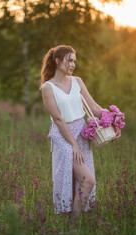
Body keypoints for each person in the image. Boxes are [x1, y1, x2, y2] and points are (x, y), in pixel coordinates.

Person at [39, 45, 121, 217]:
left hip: (80, 130)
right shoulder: (48, 87)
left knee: (81, 180)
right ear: (57, 60)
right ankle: (73, 226)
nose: (73, 64)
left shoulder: (77, 81)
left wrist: (114, 122)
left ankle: (73, 224)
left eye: (74, 61)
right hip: (63, 135)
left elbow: (94, 107)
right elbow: (59, 119)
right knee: (87, 180)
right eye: (69, 60)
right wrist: (74, 144)